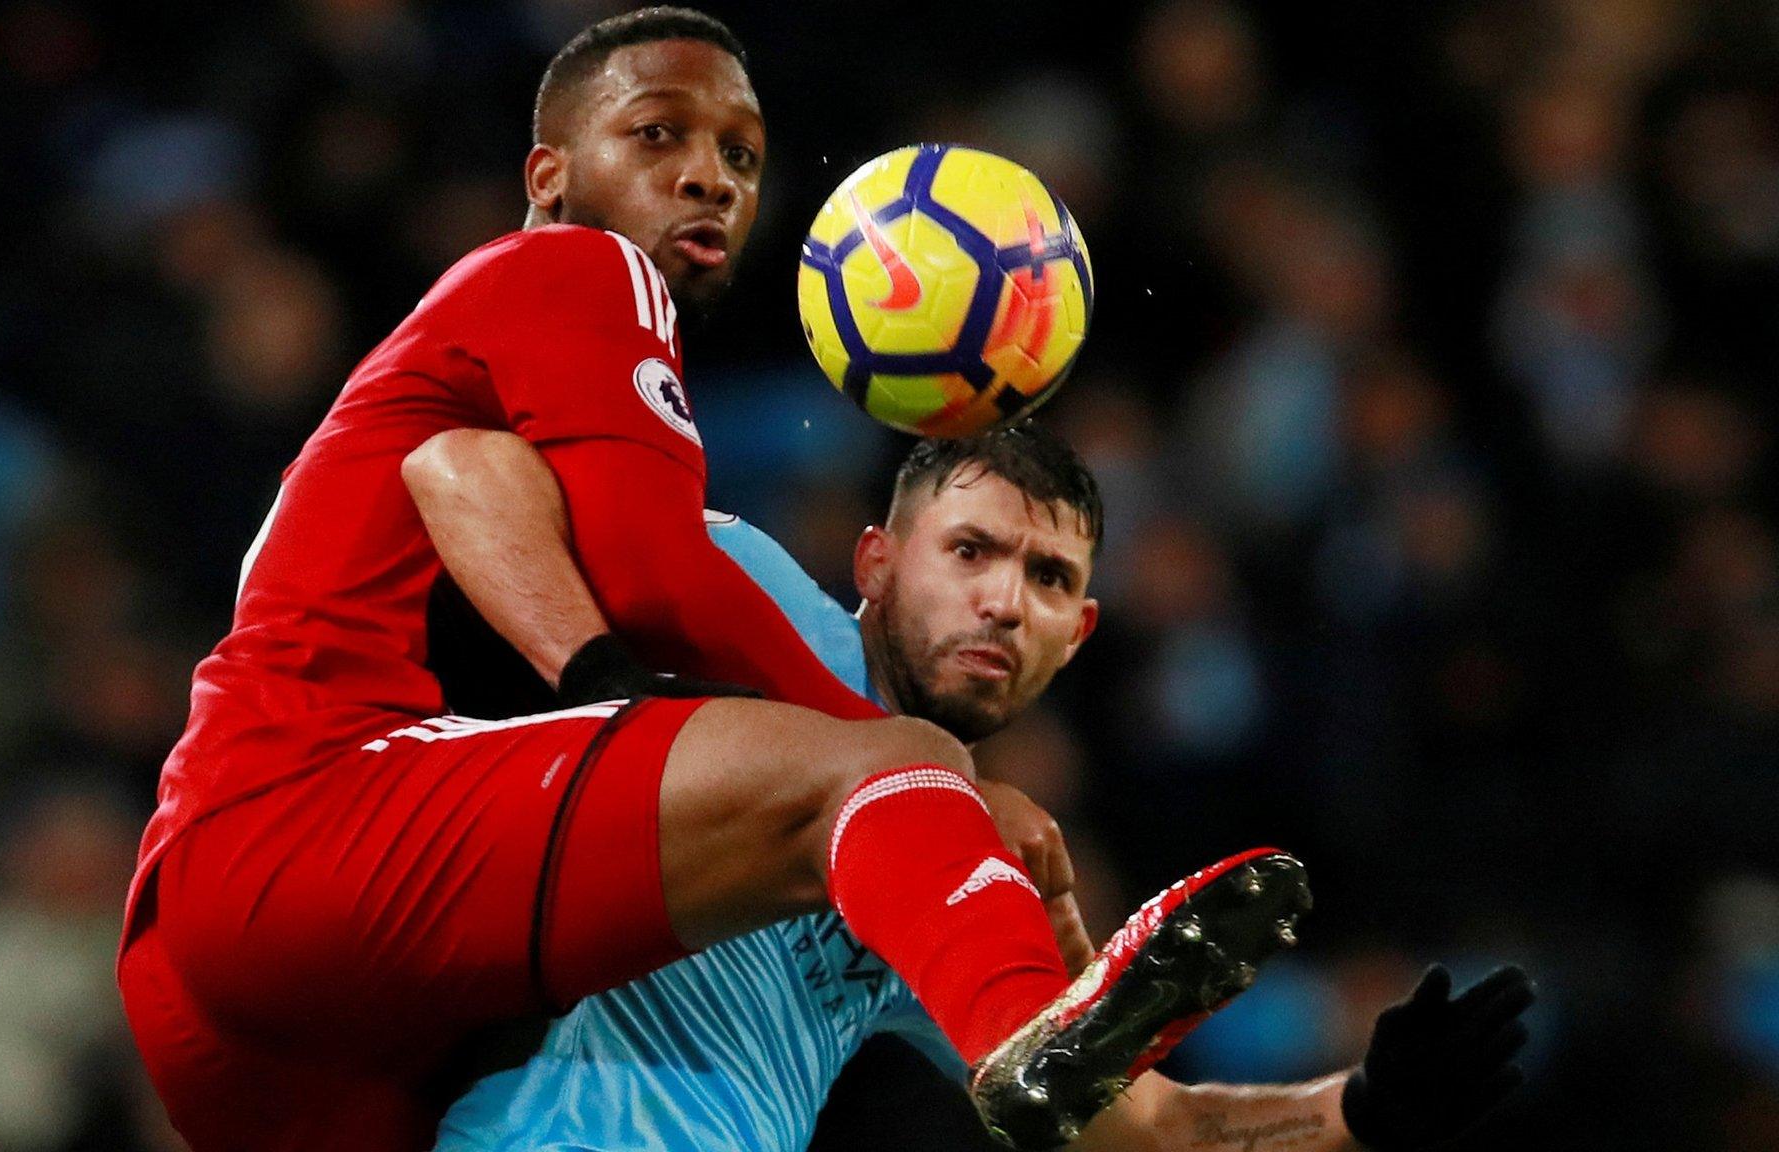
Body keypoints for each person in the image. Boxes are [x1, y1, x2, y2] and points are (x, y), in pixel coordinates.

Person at [118, 10, 1301, 1149]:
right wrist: (920, 770)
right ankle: (1022, 1034)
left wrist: (1355, 1111)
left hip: (269, 1008)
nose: (710, 179)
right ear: (548, 177)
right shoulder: (582, 270)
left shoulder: (515, 372)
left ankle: (1027, 1019)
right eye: (657, 135)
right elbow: (652, 567)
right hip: (304, 817)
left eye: (739, 155)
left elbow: (464, 473)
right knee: (892, 768)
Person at [407, 425, 1536, 1152]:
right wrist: (605, 678)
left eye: (1047, 578)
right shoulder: (735, 591)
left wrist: (1357, 1108)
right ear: (874, 565)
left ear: (1080, 632)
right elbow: (459, 468)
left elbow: (1141, 1125)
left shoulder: (965, 872)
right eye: (969, 552)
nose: (1004, 601)